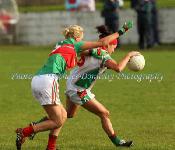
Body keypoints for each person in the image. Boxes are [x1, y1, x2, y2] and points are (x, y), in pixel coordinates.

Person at [15, 22, 133, 150]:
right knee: (103, 113)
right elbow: (117, 66)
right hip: (66, 86)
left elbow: (88, 51)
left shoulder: (62, 44)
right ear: (77, 38)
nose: (114, 49)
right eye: (114, 46)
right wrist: (128, 51)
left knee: (65, 115)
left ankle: (49, 145)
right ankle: (26, 131)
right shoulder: (99, 53)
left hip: (46, 80)